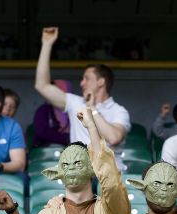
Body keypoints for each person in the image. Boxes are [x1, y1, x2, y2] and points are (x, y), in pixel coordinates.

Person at [35, 27, 131, 169]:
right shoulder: (75, 102)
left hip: (108, 175)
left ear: (101, 82)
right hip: (80, 173)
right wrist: (47, 45)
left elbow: (114, 138)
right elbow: (42, 86)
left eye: (86, 79)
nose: (81, 83)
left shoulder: (119, 111)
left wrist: (91, 109)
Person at [31, 80, 72, 147]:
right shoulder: (43, 110)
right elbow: (42, 132)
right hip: (48, 152)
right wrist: (68, 138)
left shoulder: (75, 110)